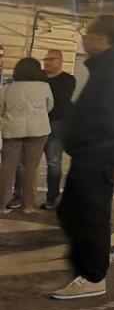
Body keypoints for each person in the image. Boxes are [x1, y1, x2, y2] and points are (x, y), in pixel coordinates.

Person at [52, 15, 114, 299]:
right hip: (93, 150)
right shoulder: (107, 67)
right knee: (71, 211)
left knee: (91, 214)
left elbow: (111, 115)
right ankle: (84, 270)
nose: (84, 38)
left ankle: (92, 276)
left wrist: (108, 152)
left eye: (88, 34)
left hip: (99, 152)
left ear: (101, 38)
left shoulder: (113, 69)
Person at [0, 57, 54, 214]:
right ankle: (28, 205)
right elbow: (49, 106)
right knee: (31, 168)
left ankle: (2, 204)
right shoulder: (44, 87)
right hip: (38, 131)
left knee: (8, 168)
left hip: (12, 131)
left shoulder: (7, 88)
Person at [40, 49, 76, 210]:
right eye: (45, 59)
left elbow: (60, 101)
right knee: (24, 162)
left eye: (51, 59)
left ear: (60, 61)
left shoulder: (68, 80)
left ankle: (52, 197)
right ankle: (19, 195)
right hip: (37, 123)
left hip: (57, 124)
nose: (46, 62)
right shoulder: (38, 77)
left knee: (53, 162)